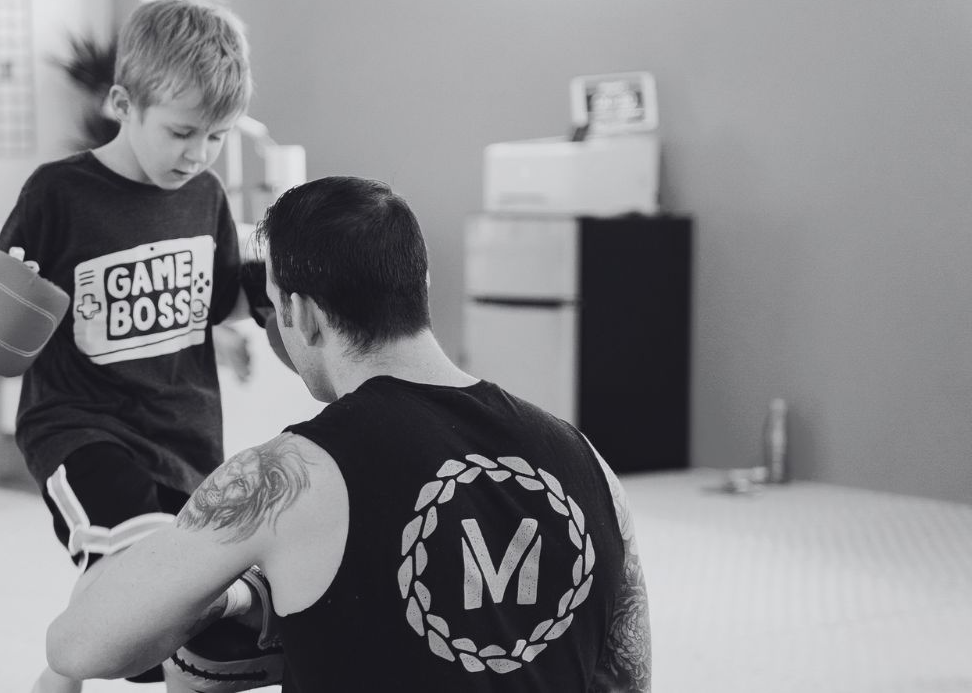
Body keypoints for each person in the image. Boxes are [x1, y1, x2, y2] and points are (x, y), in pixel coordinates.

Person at [46, 176, 653, 692]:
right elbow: (629, 676)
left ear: (302, 315)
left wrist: (229, 596)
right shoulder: (585, 460)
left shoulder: (284, 477)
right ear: (419, 288)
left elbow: (77, 648)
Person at [0, 0, 267, 692]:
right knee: (133, 569)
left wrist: (244, 324)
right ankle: (63, 672)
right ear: (122, 102)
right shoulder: (59, 193)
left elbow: (218, 296)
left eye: (216, 136)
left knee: (182, 593)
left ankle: (74, 663)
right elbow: (0, 308)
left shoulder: (204, 195)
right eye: (181, 132)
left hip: (184, 428)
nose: (197, 154)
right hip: (80, 425)